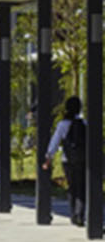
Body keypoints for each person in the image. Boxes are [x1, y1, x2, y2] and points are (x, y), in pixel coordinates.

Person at [43, 95, 88, 227]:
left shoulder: (63, 124)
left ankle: (73, 214)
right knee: (82, 187)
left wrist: (48, 157)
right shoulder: (84, 124)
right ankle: (80, 214)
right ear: (80, 109)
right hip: (82, 160)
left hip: (67, 160)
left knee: (72, 187)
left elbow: (55, 142)